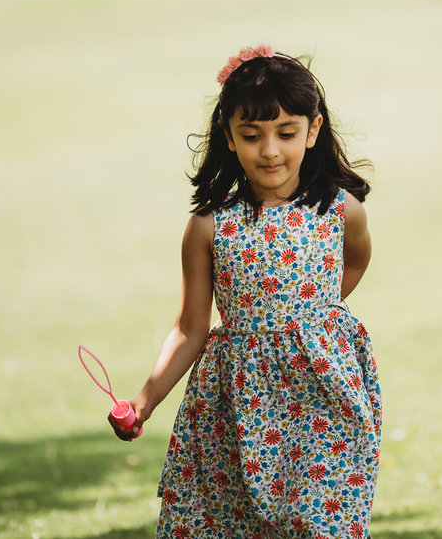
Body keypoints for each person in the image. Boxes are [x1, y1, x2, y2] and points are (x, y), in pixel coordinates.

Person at [110, 44, 382, 539]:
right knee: (229, 525)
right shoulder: (210, 227)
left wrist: (313, 318)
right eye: (252, 136)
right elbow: (190, 328)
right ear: (230, 138)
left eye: (286, 133)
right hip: (235, 408)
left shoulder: (343, 211)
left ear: (313, 130)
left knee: (321, 523)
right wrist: (146, 400)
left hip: (323, 396)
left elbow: (355, 261)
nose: (271, 150)